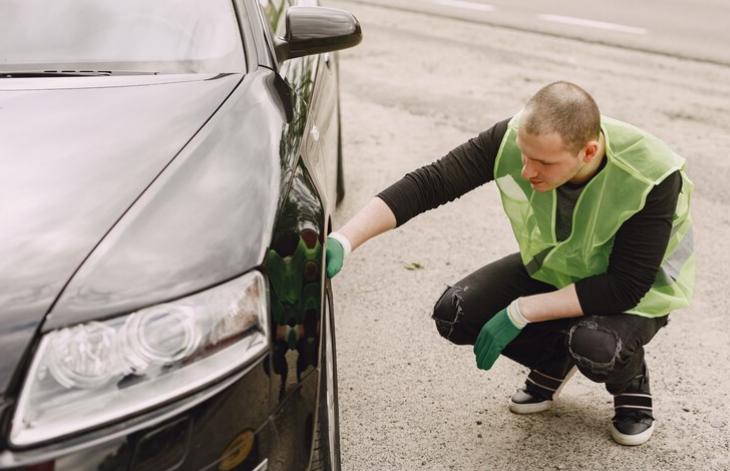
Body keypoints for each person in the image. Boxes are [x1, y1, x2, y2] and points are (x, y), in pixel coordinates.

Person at [325, 81, 694, 446]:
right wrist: (345, 239)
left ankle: (630, 382)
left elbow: (624, 286)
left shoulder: (651, 174)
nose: (527, 171)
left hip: (635, 295)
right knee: (455, 314)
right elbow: (430, 183)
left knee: (596, 347)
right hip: (558, 269)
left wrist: (522, 311)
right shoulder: (517, 137)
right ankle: (554, 361)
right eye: (524, 155)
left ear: (588, 151)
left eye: (544, 163)